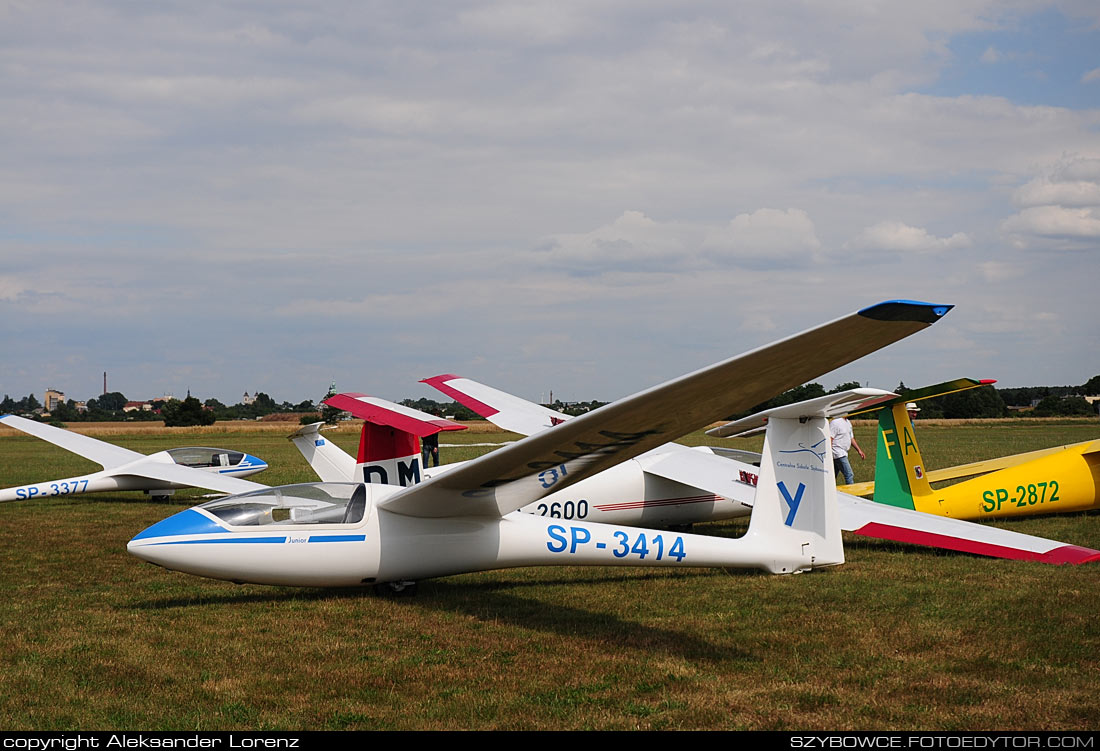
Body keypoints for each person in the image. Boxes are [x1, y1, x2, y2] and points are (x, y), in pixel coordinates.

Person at [829, 414, 864, 485]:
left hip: (844, 452)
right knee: (849, 474)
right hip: (837, 452)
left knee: (832, 476)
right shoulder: (835, 422)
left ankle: (829, 492)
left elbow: (851, 438)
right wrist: (829, 454)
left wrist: (859, 450)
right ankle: (851, 494)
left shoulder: (848, 422)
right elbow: (830, 438)